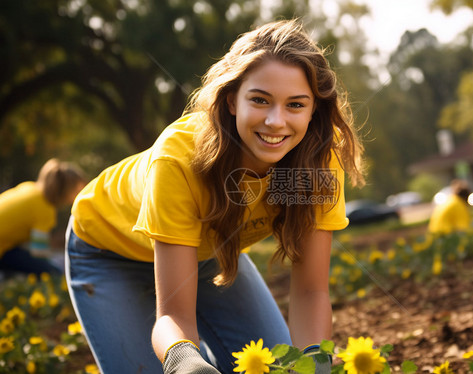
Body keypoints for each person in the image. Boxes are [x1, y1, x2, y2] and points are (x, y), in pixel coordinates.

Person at [65, 19, 364, 374]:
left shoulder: (318, 161)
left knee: (272, 368)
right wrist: (185, 360)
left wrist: (315, 366)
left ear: (314, 109)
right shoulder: (179, 161)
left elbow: (311, 292)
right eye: (260, 100)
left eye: (295, 105)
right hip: (108, 254)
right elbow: (172, 317)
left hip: (207, 254)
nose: (275, 121)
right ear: (232, 100)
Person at [0, 158, 86, 276]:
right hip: (3, 249)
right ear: (65, 191)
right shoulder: (44, 209)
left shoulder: (29, 187)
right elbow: (39, 251)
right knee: (53, 272)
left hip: (6, 246)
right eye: (78, 190)